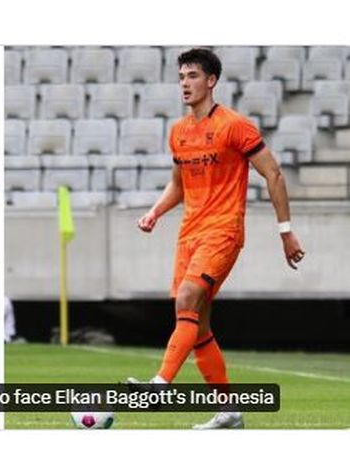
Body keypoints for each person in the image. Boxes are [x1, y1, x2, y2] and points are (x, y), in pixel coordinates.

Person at [130, 48, 305, 429]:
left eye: (192, 76)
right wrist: (155, 212)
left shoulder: (234, 125)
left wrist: (285, 231)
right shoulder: (178, 132)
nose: (185, 84)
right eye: (181, 77)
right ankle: (229, 411)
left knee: (188, 298)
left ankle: (160, 385)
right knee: (197, 325)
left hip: (223, 230)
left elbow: (273, 173)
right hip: (189, 233)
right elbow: (179, 185)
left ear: (210, 81)